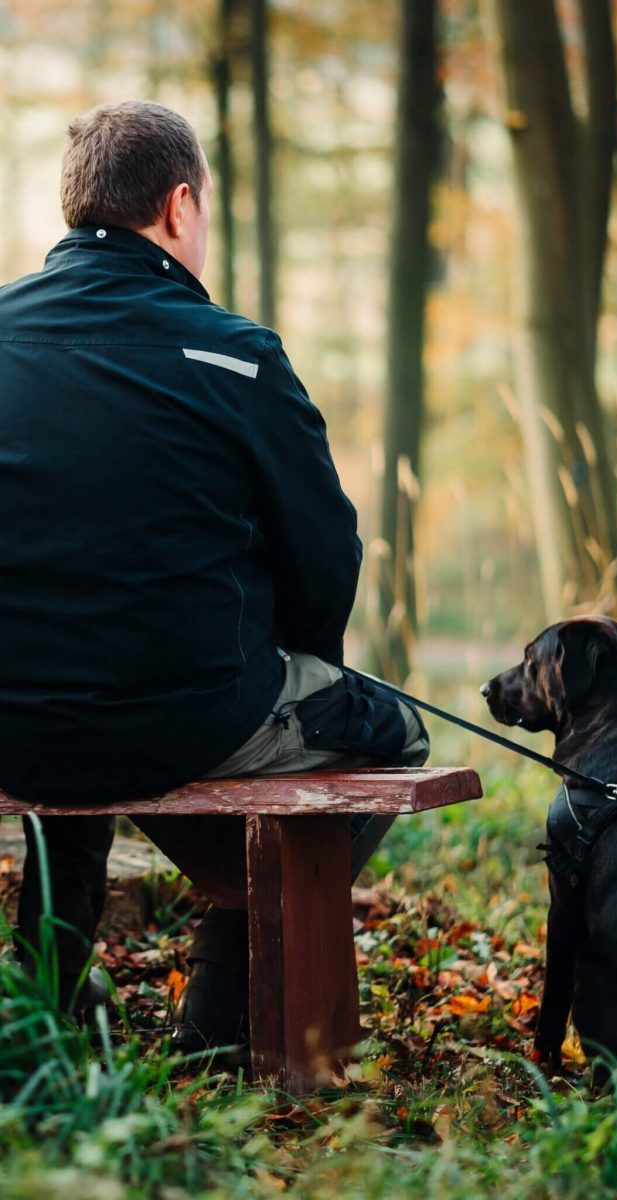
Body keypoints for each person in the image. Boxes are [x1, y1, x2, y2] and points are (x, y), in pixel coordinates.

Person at [0, 100, 428, 1051]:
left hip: (13, 724)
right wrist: (294, 665)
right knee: (396, 733)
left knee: (66, 730)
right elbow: (324, 557)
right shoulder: (238, 355)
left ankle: (44, 1024)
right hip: (188, 717)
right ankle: (228, 997)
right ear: (180, 206)